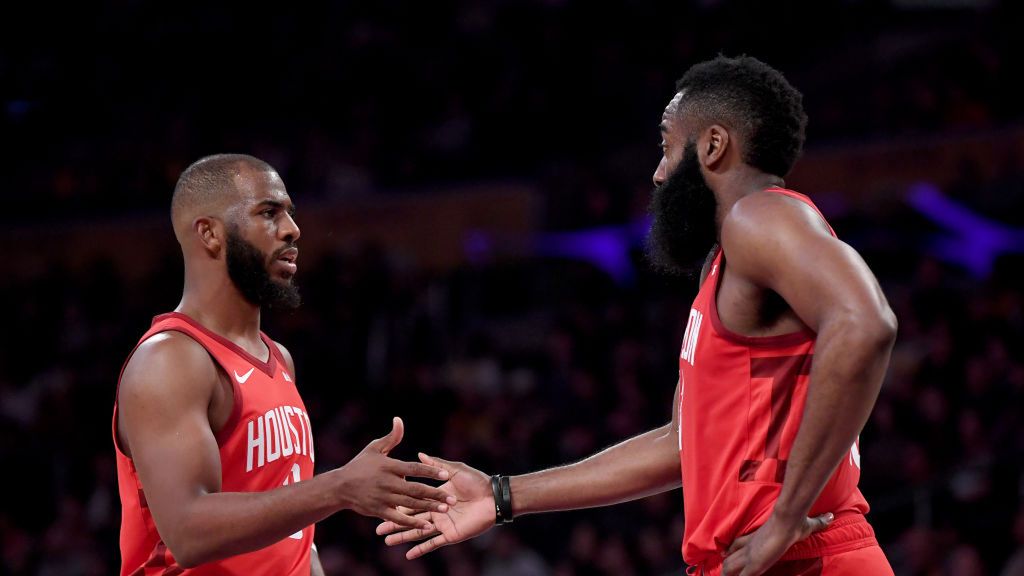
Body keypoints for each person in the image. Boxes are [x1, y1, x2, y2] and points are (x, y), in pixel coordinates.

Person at [377, 56, 898, 576]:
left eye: (667, 145)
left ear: (713, 146)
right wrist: (503, 495)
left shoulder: (759, 215)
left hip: (802, 556)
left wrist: (785, 518)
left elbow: (865, 324)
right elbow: (680, 443)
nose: (658, 172)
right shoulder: (725, 263)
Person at [113, 154, 455, 575]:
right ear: (210, 233)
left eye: (290, 213)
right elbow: (188, 532)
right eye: (269, 212)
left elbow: (294, 536)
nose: (293, 229)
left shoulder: (278, 359)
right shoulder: (171, 360)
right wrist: (340, 487)